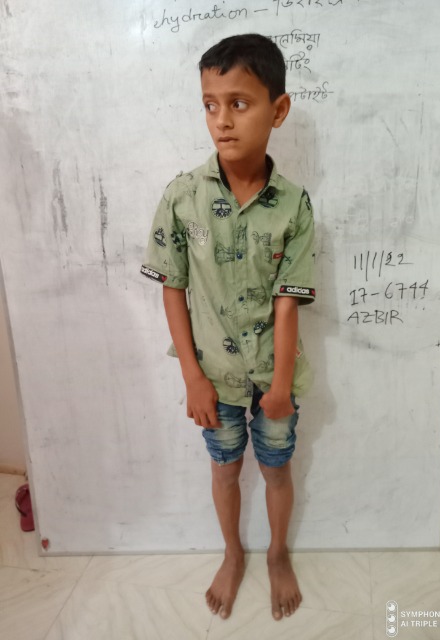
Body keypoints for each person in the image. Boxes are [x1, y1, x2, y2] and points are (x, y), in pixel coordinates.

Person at [141, 33, 316, 621]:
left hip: (273, 377)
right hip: (212, 379)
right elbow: (173, 287)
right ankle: (233, 553)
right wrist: (192, 378)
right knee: (224, 469)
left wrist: (281, 385)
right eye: (210, 105)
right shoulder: (182, 197)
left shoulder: (294, 206)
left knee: (276, 468)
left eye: (239, 103)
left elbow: (289, 303)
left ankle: (277, 553)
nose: (222, 119)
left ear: (278, 110)